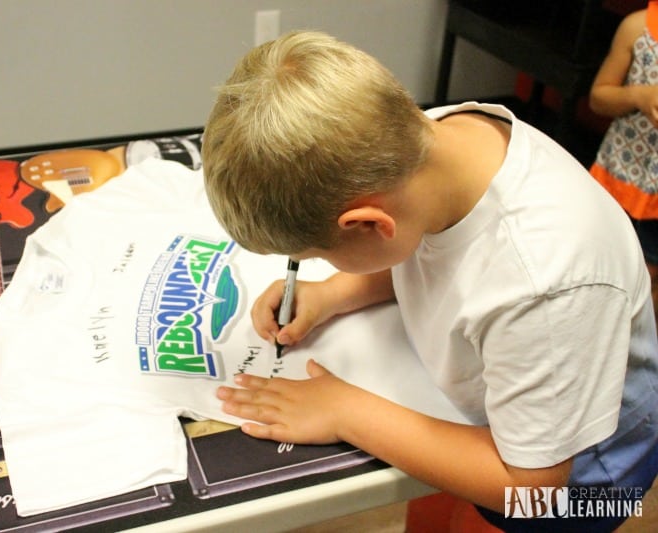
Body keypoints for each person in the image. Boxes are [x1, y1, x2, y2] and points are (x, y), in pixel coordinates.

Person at [202, 31, 658, 532]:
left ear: (371, 225)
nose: (311, 269)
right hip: (503, 418)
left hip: (584, 482)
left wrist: (345, 410)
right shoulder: (433, 143)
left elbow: (530, 486)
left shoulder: (544, 283)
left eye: (308, 258)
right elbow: (436, 249)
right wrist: (335, 291)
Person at [589, 1, 658, 323]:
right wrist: (638, 96)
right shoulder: (637, 26)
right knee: (602, 261)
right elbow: (599, 97)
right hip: (622, 176)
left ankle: (641, 357)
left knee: (651, 276)